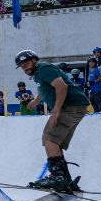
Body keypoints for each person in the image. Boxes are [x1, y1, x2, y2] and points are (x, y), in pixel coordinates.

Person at [15, 49, 91, 192]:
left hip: (69, 106)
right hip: (75, 106)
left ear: (34, 60)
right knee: (56, 143)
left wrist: (56, 111)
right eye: (22, 66)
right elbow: (44, 88)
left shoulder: (44, 69)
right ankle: (65, 179)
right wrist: (37, 100)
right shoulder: (38, 74)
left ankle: (57, 177)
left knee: (49, 139)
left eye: (26, 64)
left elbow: (61, 86)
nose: (25, 68)